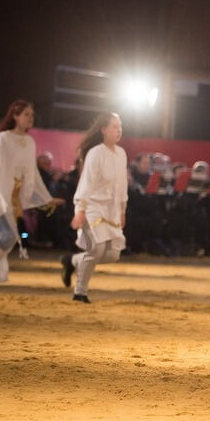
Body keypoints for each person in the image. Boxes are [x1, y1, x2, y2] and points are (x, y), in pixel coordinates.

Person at [0, 100, 62, 294]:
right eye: (26, 114)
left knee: (1, 238)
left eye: (32, 115)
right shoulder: (3, 139)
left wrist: (46, 198)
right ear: (15, 116)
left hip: (14, 196)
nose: (30, 118)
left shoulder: (29, 142)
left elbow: (32, 173)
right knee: (8, 236)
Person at [61, 112, 128, 303]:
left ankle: (72, 261)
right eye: (114, 126)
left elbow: (122, 184)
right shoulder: (96, 153)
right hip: (93, 208)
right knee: (95, 250)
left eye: (120, 126)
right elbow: (87, 183)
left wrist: (122, 209)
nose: (119, 130)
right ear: (103, 130)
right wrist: (80, 210)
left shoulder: (121, 153)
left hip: (112, 210)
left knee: (113, 254)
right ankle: (80, 292)